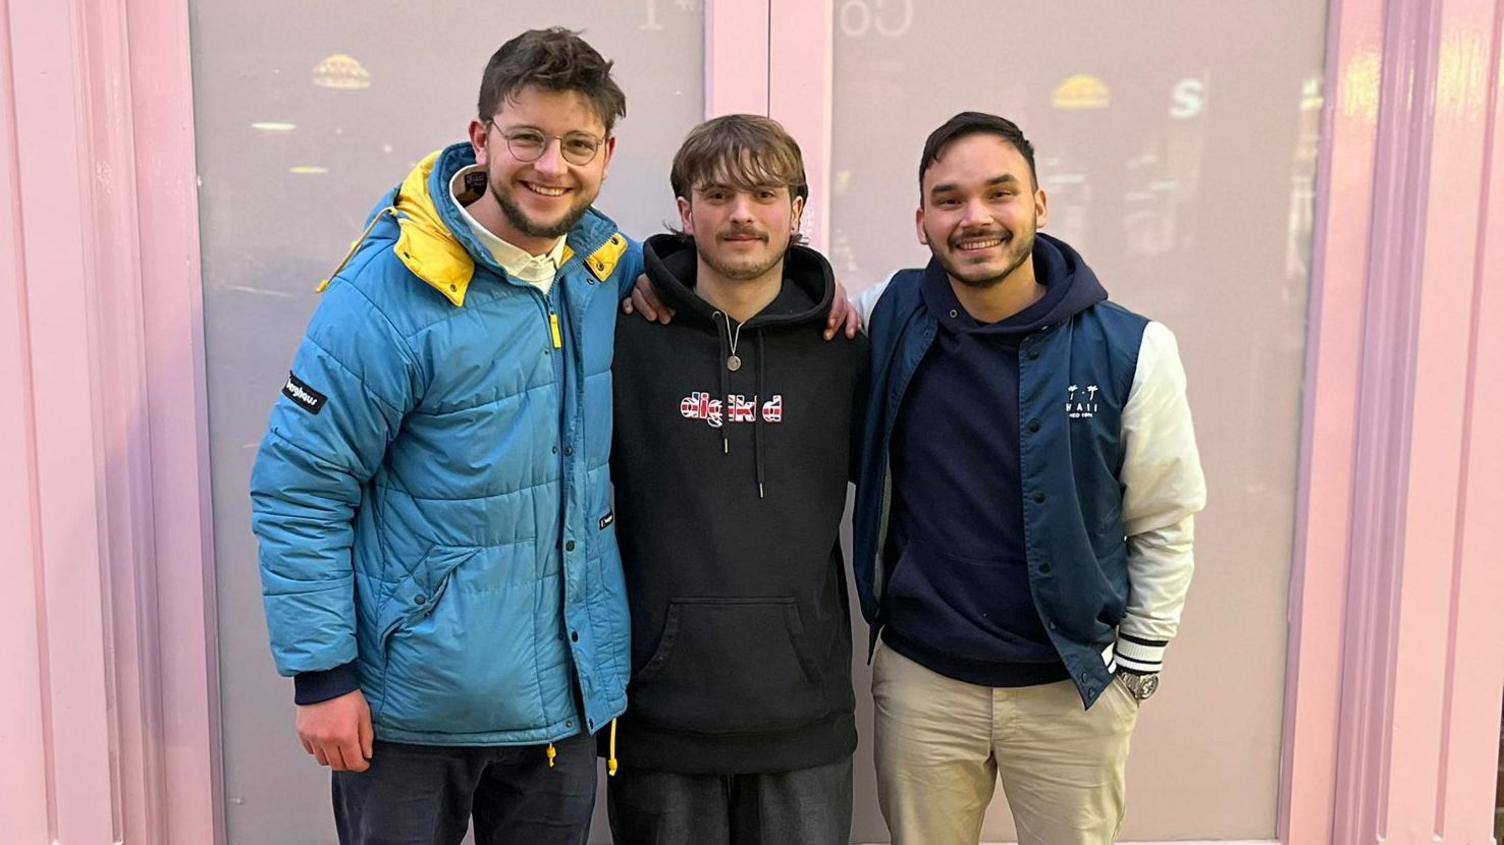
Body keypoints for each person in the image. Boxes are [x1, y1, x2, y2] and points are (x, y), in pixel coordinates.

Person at [249, 28, 640, 845]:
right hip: (410, 714)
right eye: (526, 138)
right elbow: (299, 486)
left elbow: (726, 281)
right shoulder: (389, 288)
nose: (550, 166)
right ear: (482, 138)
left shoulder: (606, 269)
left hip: (561, 704)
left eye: (575, 144)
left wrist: (816, 301)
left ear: (606, 153)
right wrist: (321, 676)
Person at [851, 112, 1207, 845]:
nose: (975, 216)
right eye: (949, 199)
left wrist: (1134, 670)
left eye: (999, 193)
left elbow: (1166, 517)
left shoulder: (1134, 348)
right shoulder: (884, 314)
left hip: (1071, 686)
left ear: (1039, 204)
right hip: (925, 682)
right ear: (921, 221)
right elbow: (774, 290)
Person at [605, 114, 865, 844]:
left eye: (763, 192)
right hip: (659, 718)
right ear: (685, 211)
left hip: (802, 722)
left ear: (798, 209)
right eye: (716, 194)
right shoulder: (625, 335)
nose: (742, 213)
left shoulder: (842, 346)